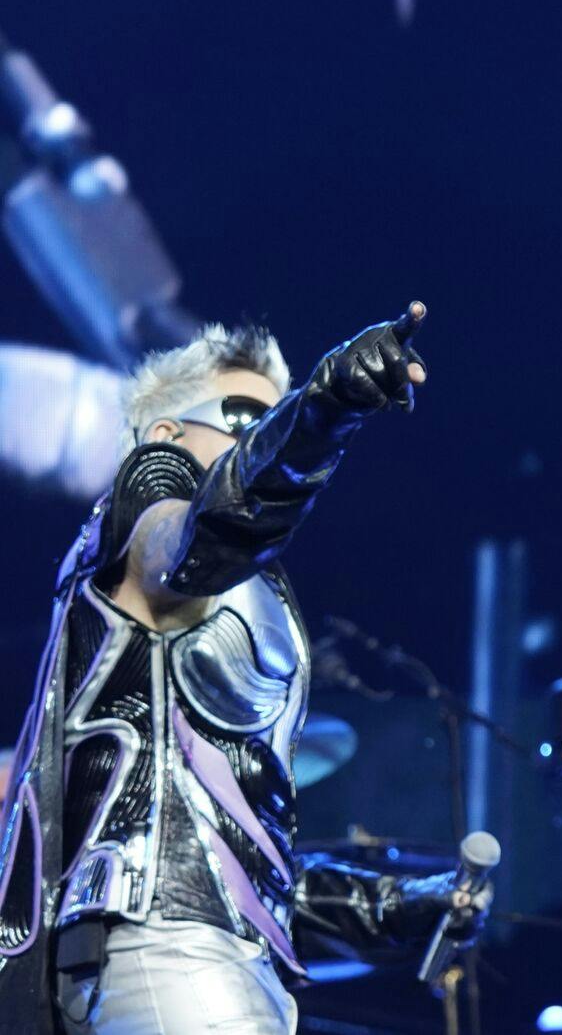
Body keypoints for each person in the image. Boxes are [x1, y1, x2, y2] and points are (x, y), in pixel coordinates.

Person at [0, 307, 487, 1034]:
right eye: (240, 415)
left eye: (274, 416)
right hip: (160, 942)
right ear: (164, 433)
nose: (259, 435)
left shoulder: (250, 595)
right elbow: (199, 535)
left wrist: (390, 904)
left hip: (227, 961)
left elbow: (235, 854)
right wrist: (322, 409)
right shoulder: (145, 513)